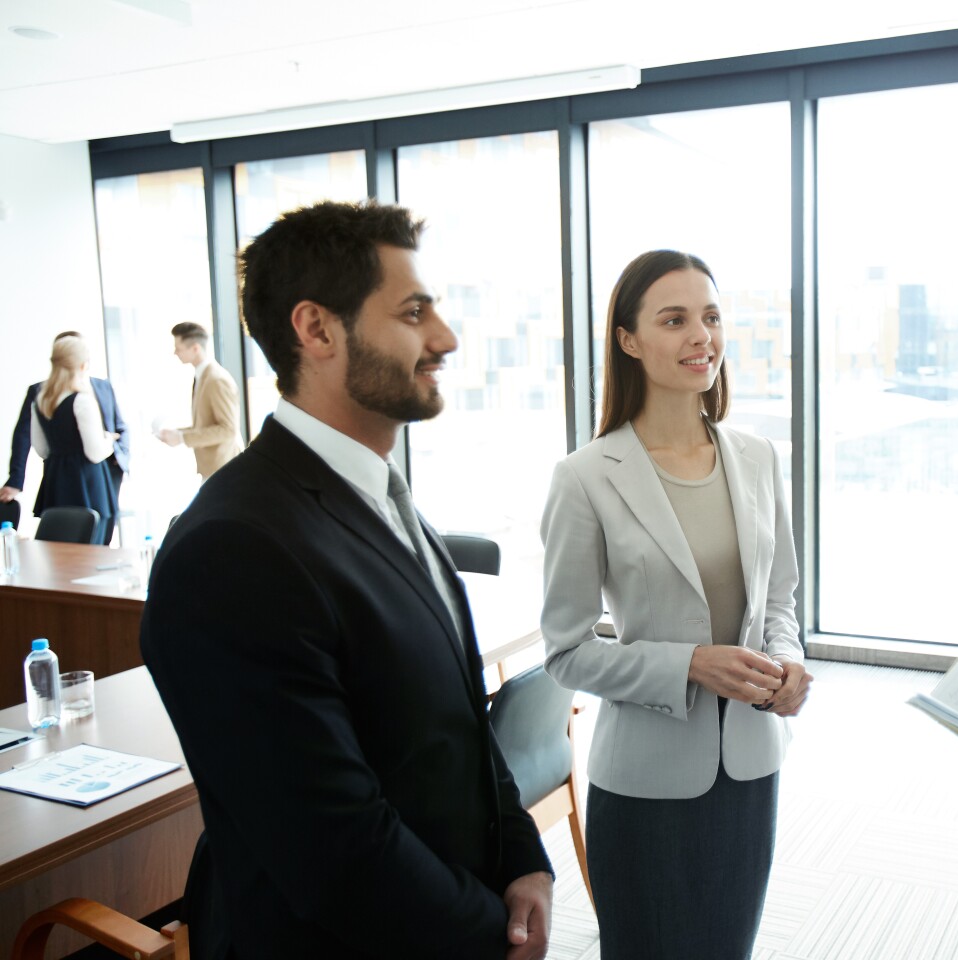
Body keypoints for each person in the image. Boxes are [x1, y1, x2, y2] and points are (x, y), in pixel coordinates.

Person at [140, 200, 553, 959]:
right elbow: (335, 851)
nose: (445, 338)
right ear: (318, 330)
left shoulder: (384, 496)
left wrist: (523, 857)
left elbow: (457, 722)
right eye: (413, 313)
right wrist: (487, 935)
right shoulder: (233, 549)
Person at [540, 250, 812, 960]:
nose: (702, 336)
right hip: (646, 783)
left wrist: (788, 660)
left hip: (751, 766)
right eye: (674, 320)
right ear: (628, 340)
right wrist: (688, 664)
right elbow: (566, 652)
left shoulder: (756, 457)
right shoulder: (586, 477)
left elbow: (780, 598)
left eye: (712, 317)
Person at [3, 331, 130, 543]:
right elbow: (94, 452)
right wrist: (108, 439)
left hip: (57, 479)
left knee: (60, 543)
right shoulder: (82, 399)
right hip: (89, 480)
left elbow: (42, 449)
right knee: (93, 544)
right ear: (83, 364)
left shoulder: (41, 399)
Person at [157, 322, 242, 479]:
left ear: (195, 348)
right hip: (214, 470)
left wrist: (182, 438)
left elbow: (228, 429)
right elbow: (207, 424)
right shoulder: (203, 376)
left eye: (179, 348)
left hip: (223, 470)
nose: (175, 353)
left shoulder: (216, 380)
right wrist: (178, 433)